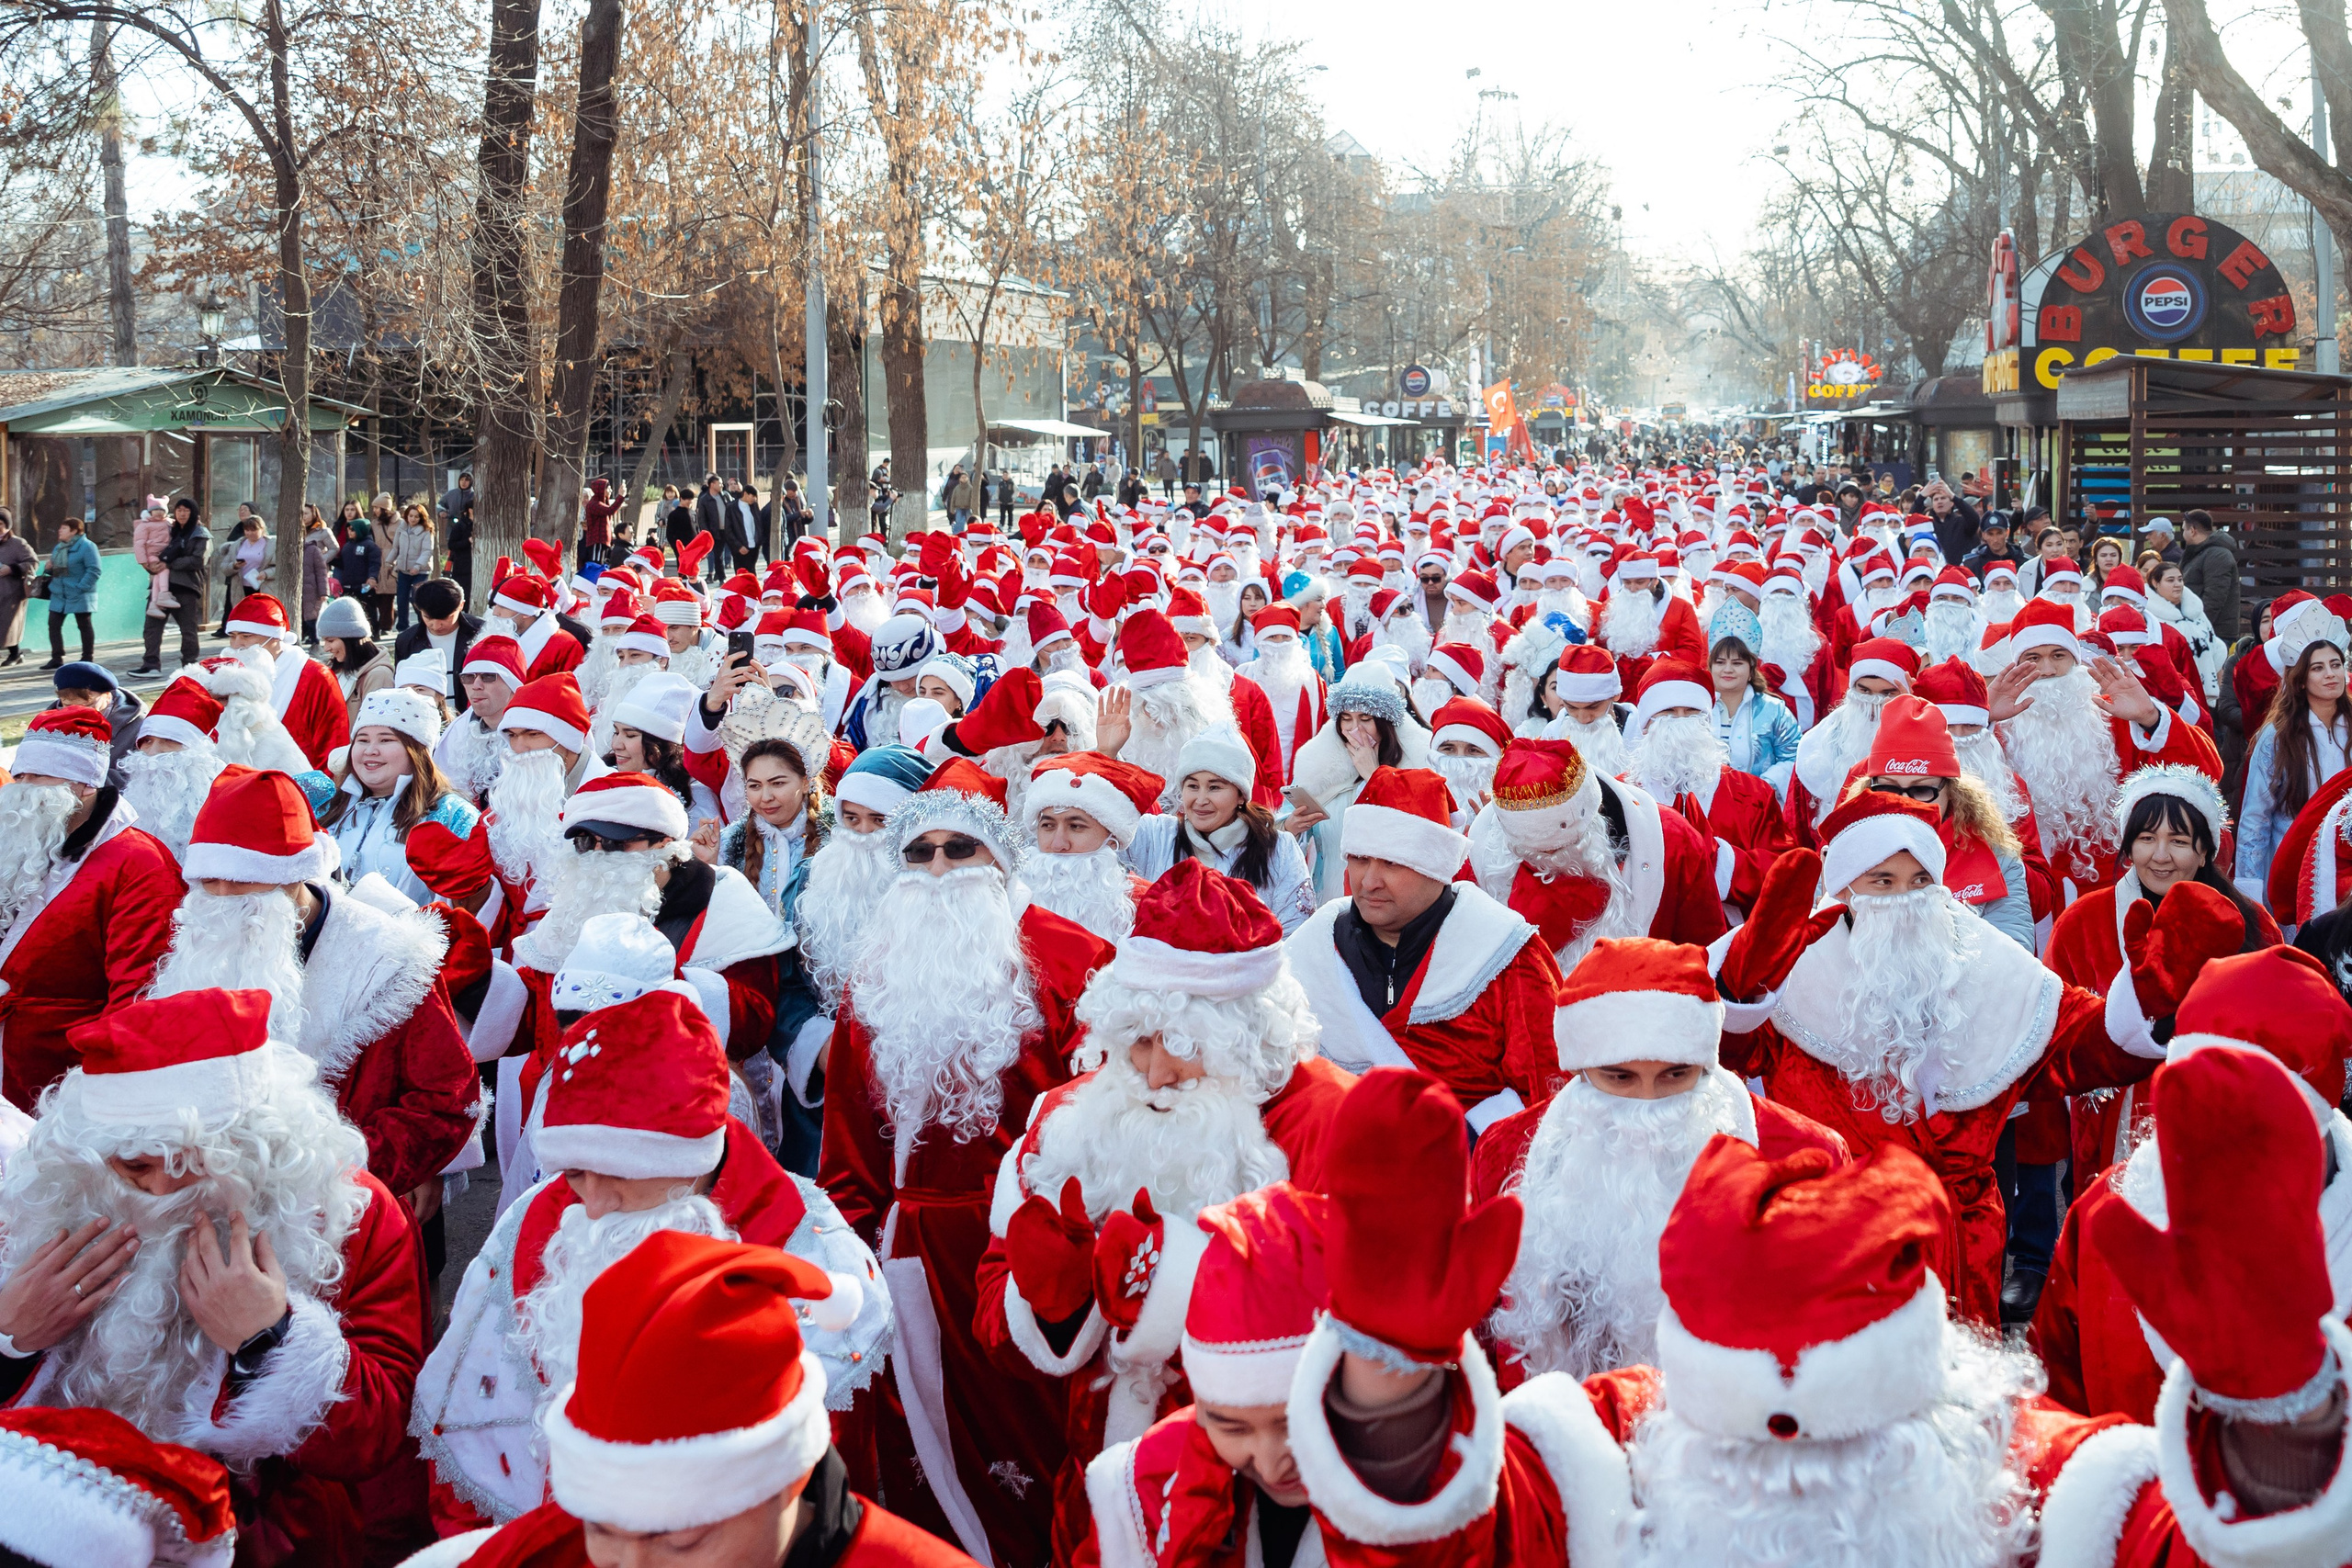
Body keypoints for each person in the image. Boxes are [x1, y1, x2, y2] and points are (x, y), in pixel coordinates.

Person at [1714, 788, 2241, 1323]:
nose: (1906, 899)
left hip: (1959, 1249)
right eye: (1883, 882)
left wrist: (2142, 1001)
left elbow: (2076, 1046)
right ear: (1847, 887)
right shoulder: (1797, 955)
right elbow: (1718, 1055)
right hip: (1832, 1241)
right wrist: (1741, 988)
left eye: (1920, 880)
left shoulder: (1982, 955)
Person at [408, 984, 888, 1538]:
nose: (594, 1202)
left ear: (687, 1162)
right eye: (575, 1172)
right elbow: (470, 1448)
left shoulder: (814, 1254)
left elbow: (812, 1501)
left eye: (620, 1171)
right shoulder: (535, 1220)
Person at [975, 863, 1352, 1561]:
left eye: (1182, 1047)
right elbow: (998, 1322)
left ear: (1248, 1038)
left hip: (1267, 1488)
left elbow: (1372, 1335)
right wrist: (1054, 1301)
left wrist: (1176, 1280)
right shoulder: (1069, 1115)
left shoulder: (1332, 1122)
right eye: (1138, 1041)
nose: (1154, 1074)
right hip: (1103, 1485)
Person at [1081, 1072, 1595, 1568]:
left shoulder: (1434, 1482)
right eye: (1230, 1424)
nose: (1270, 1459)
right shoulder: (1141, 1491)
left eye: (1290, 1421)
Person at [0, 987, 431, 1566]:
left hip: (262, 1541)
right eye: (133, 1167)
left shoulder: (349, 1211)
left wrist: (271, 1342)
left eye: (191, 1164)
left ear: (255, 1148)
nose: (158, 1191)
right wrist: (9, 1339)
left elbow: (384, 1432)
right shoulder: (48, 1197)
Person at [819, 760, 1115, 1566]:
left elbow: (1105, 1120)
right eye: (921, 853)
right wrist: (850, 1243)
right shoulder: (879, 963)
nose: (940, 871)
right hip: (902, 1256)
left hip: (1016, 1257)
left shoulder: (1075, 956)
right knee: (910, 1464)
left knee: (1035, 1450)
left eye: (962, 850)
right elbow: (847, 1127)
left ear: (1001, 859)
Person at [1476, 930, 1849, 1382]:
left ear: (1707, 1064)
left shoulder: (1803, 1154)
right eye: (1620, 1078)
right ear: (1581, 1071)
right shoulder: (1507, 1150)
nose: (1648, 1105)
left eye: (1676, 1075)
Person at [2032, 945, 2347, 1427]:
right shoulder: (2108, 1214)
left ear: (2315, 1115)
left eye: (2263, 1110)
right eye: (2198, 1094)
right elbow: (2054, 1403)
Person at [152, 765, 482, 1201]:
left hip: (349, 1200)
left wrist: (343, 1175)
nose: (225, 895)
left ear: (294, 873)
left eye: (244, 878)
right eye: (208, 880)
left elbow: (445, 1096)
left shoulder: (386, 958)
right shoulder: (199, 936)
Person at [1284, 765, 1563, 1129]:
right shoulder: (1310, 950)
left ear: (1436, 865)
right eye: (1359, 858)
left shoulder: (1505, 953)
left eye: (1392, 863)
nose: (1369, 881)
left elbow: (1548, 1094)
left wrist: (1469, 1139)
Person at [0, 707, 184, 1110]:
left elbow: (138, 994)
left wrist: (98, 1088)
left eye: (41, 777)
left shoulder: (139, 865)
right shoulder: (20, 836)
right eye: (20, 776)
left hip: (59, 1078)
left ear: (85, 784)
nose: (24, 790)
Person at [1988, 599, 2222, 901]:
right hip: (2028, 895)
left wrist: (2151, 717)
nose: (2047, 670)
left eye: (2058, 655)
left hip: (2117, 888)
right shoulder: (2000, 729)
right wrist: (1981, 724)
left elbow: (2204, 776)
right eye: (2033, 657)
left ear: (2075, 660)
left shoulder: (2113, 717)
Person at [1123, 726, 1316, 933]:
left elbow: (1296, 935)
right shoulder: (1157, 835)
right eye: (1193, 786)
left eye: (1215, 787)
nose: (1201, 800)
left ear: (1241, 795)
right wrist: (1107, 751)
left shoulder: (1278, 849)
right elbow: (1096, 836)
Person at [317, 687, 487, 908]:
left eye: (386, 740)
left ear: (416, 751)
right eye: (362, 740)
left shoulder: (453, 815)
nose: (370, 750)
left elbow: (467, 904)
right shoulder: (326, 805)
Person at [2234, 634, 2349, 900]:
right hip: (2293, 865)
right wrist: (2250, 887)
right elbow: (2256, 817)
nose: (2330, 674)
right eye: (2317, 668)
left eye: (2336, 664)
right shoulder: (2278, 736)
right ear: (2300, 681)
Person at [1022, 750, 1163, 942]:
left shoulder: (1149, 905)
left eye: (1075, 827)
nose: (1058, 844)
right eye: (1048, 826)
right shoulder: (1011, 899)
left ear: (1111, 838)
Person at [222, 590, 353, 769]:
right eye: (232, 636)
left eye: (246, 636)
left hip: (299, 783)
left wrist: (318, 792)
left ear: (274, 637)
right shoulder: (225, 676)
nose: (236, 645)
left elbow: (333, 745)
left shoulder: (315, 676)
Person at [1708, 634, 1800, 796]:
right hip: (1702, 807)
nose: (1727, 669)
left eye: (1737, 663)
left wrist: (1762, 787)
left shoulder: (1773, 710)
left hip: (1758, 807)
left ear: (1751, 670)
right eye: (1720, 662)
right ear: (1710, 668)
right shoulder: (1696, 710)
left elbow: (1794, 756)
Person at [395, 578, 481, 712]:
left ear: (461, 606)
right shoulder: (407, 640)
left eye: (445, 618)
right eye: (428, 617)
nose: (436, 626)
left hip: (471, 715)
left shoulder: (481, 633)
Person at [317, 594, 396, 729]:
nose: (326, 648)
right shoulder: (333, 669)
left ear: (351, 639)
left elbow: (377, 728)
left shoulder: (379, 675)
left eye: (330, 641)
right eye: (324, 641)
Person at [36, 516, 100, 671]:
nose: (60, 531)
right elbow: (55, 570)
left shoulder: (87, 547)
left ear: (74, 531)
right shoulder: (59, 547)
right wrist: (49, 568)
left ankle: (87, 657)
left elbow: (94, 569)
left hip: (79, 592)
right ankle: (56, 658)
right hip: (59, 592)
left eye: (64, 528)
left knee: (84, 625)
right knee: (54, 624)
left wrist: (81, 587)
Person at [2179, 506, 2240, 640]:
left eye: (2184, 530)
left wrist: (2195, 627)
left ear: (2192, 531)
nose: (2183, 534)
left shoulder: (2218, 556)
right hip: (2204, 632)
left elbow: (2214, 599)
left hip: (2215, 635)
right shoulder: (2199, 553)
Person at [390, 501, 437, 630]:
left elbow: (427, 551)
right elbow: (396, 547)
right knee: (401, 599)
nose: (413, 519)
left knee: (416, 598)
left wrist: (417, 566)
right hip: (404, 569)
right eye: (411, 516)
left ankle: (422, 624)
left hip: (420, 571)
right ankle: (402, 627)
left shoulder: (426, 531)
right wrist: (389, 561)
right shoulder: (402, 528)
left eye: (416, 516)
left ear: (421, 518)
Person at [0, 507, 36, 666]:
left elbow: (32, 562)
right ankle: (15, 654)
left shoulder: (18, 543)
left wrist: (11, 569)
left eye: (0, 523)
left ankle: (15, 654)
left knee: (8, 625)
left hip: (11, 592)